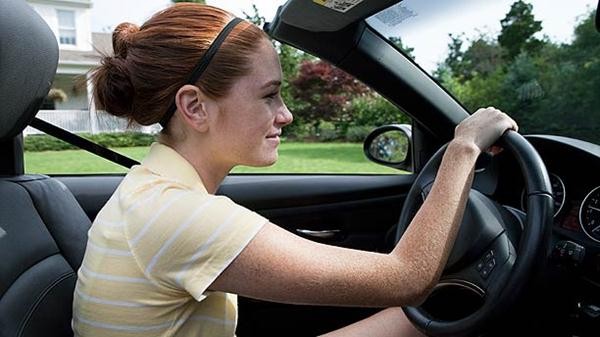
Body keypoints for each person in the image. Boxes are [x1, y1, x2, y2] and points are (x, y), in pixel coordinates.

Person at [71, 3, 518, 337]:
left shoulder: (148, 194)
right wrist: (462, 148)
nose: (285, 115)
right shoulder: (179, 218)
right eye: (269, 95)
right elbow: (408, 277)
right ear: (194, 107)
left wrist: (415, 323)